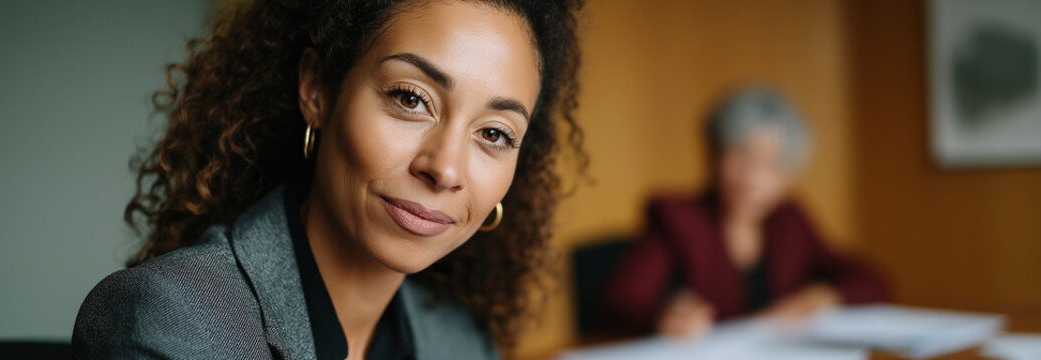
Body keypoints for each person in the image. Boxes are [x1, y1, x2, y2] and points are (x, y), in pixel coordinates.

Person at [72, 0, 584, 359]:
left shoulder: (462, 344)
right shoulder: (171, 323)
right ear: (317, 89)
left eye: (494, 133)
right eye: (411, 98)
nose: (445, 169)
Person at [601, 88, 886, 339]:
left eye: (772, 163)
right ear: (714, 155)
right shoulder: (678, 218)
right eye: (740, 154)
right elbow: (622, 304)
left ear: (790, 175)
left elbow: (871, 280)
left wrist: (827, 296)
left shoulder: (788, 219)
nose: (752, 176)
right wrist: (662, 317)